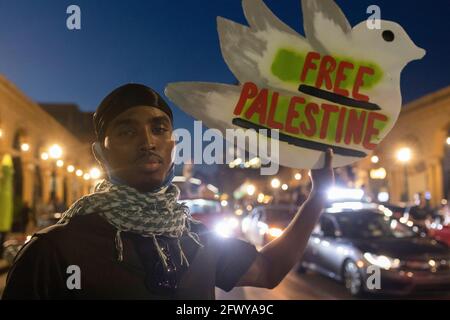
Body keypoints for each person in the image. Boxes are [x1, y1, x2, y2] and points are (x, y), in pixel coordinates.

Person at [2, 83, 334, 300]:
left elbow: (268, 270)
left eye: (159, 129)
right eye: (127, 131)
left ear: (173, 145)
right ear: (100, 155)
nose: (148, 142)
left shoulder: (196, 239)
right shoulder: (55, 249)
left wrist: (317, 197)